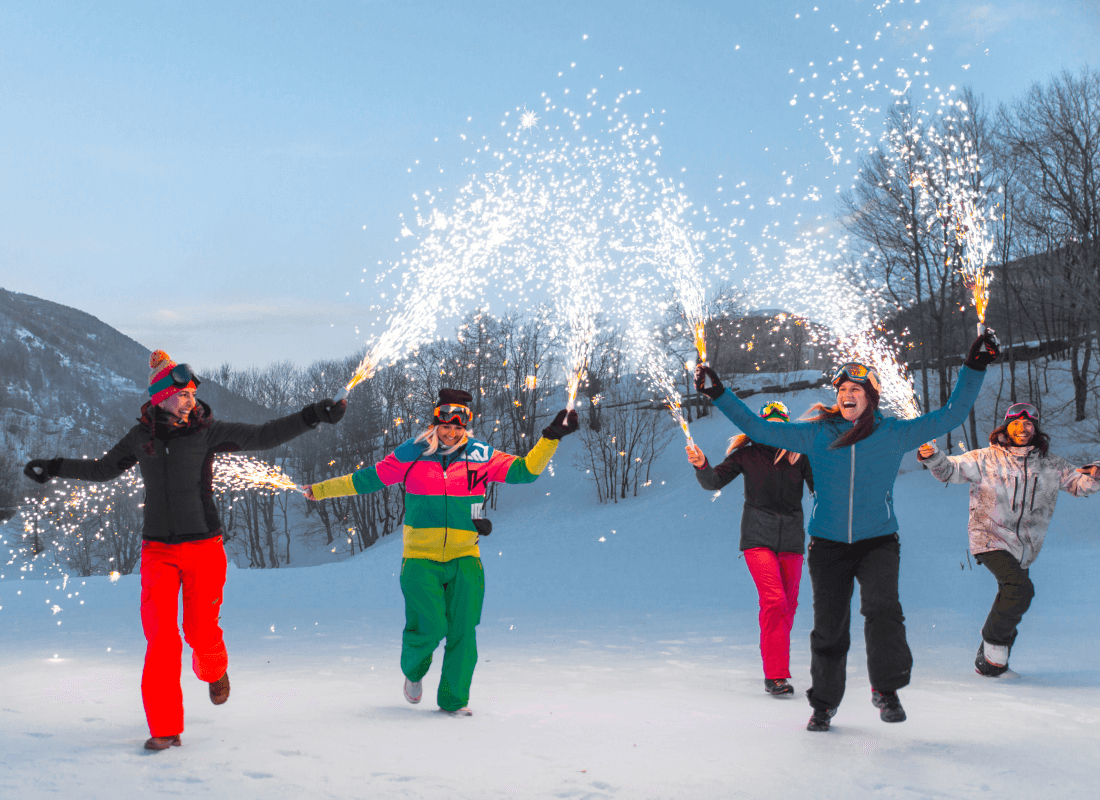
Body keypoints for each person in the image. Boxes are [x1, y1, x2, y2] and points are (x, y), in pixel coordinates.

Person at [24, 350, 346, 751]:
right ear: (160, 397)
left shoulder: (207, 432)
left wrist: (313, 415)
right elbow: (103, 470)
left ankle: (214, 669)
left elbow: (264, 435)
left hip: (204, 546)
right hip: (156, 549)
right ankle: (165, 727)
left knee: (200, 630)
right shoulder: (141, 437)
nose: (190, 399)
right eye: (181, 394)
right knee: (160, 638)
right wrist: (53, 466)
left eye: (192, 393)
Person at [694, 330, 999, 732]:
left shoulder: (894, 433)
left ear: (870, 396)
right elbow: (760, 428)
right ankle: (823, 704)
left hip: (878, 541)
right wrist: (718, 393)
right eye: (842, 389)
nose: (847, 394)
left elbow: (950, 415)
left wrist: (975, 366)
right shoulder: (816, 434)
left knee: (883, 611)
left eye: (856, 388)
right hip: (828, 545)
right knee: (830, 626)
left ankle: (886, 691)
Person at [305, 389, 578, 716]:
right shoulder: (413, 453)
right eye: (445, 425)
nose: (451, 432)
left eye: (458, 426)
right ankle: (413, 672)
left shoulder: (480, 455)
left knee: (464, 630)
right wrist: (321, 491)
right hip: (421, 559)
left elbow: (525, 471)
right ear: (435, 423)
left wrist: (552, 436)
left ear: (466, 426)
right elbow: (367, 480)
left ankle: (453, 701)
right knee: (431, 625)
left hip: (466, 559)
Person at [917, 402, 1100, 676]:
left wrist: (1096, 472)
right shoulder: (984, 458)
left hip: (1026, 546)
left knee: (1013, 594)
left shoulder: (1051, 465)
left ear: (1035, 428)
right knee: (1020, 589)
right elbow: (949, 470)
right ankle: (992, 646)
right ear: (1006, 427)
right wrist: (932, 456)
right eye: (1016, 423)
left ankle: (994, 664)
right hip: (988, 536)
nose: (1022, 428)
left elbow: (1079, 484)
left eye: (1028, 424)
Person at [687, 400, 814, 697]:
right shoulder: (746, 455)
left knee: (788, 606)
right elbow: (713, 481)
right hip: (758, 537)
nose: (774, 429)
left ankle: (774, 656)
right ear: (759, 426)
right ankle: (776, 676)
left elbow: (820, 488)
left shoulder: (801, 456)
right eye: (768, 424)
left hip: (792, 541)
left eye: (780, 424)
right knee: (774, 601)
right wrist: (702, 464)